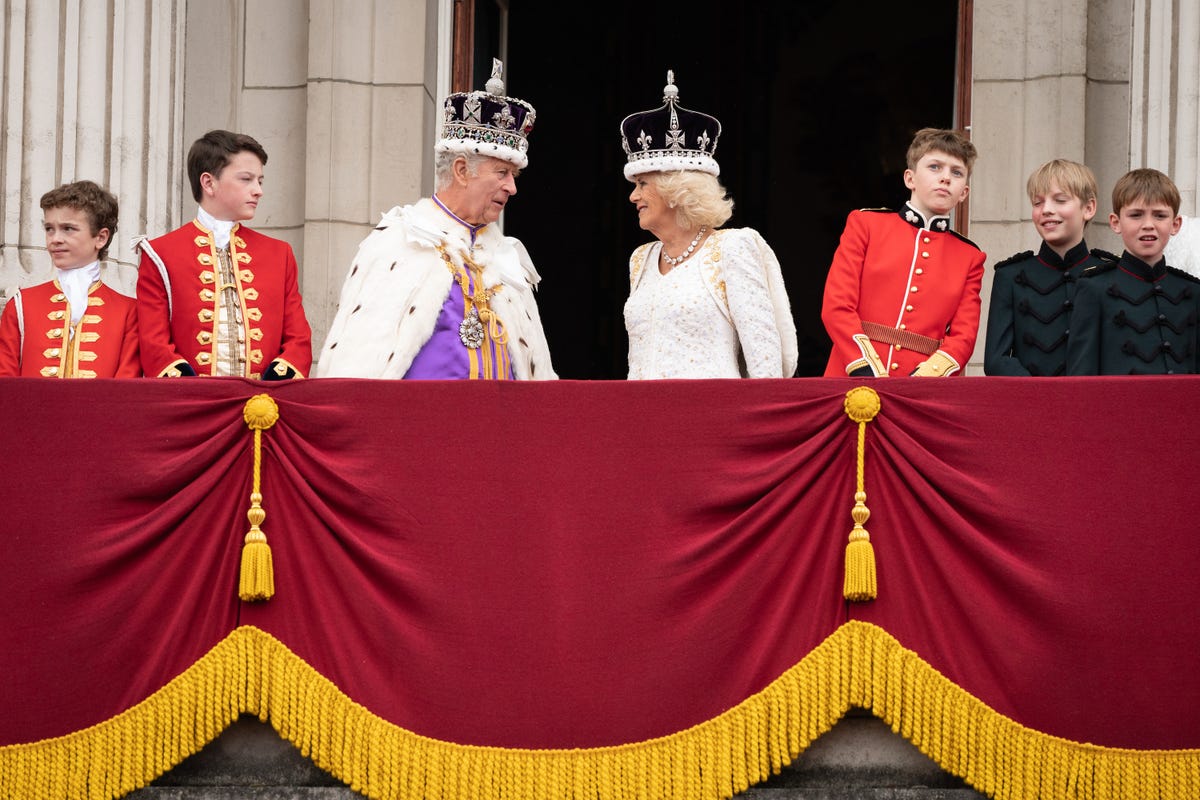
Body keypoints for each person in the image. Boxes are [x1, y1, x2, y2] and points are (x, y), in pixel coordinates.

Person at [315, 59, 554, 380]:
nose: (512, 187)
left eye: (514, 175)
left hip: (500, 427)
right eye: (502, 173)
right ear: (460, 171)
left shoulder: (507, 258)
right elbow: (358, 365)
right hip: (420, 427)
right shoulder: (398, 242)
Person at [618, 71, 798, 379]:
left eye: (643, 183)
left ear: (676, 190)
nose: (634, 196)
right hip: (642, 419)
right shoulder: (641, 259)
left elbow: (765, 364)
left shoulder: (732, 247)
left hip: (713, 420)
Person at [134, 130, 312, 379]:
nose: (258, 190)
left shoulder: (279, 254)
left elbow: (298, 339)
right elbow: (154, 344)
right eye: (246, 179)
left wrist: (273, 386)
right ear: (208, 183)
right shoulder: (160, 254)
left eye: (260, 181)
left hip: (264, 405)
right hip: (191, 406)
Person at [821, 127, 985, 377]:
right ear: (909, 179)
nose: (945, 177)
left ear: (964, 193)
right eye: (934, 167)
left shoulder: (970, 257)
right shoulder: (866, 225)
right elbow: (837, 305)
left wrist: (924, 379)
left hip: (922, 389)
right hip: (851, 374)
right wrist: (865, 366)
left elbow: (964, 336)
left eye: (956, 172)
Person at [1066, 168, 1200, 374]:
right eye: (1136, 215)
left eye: (1160, 215)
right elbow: (1081, 378)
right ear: (1115, 222)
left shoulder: (1192, 291)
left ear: (1175, 224)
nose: (1148, 225)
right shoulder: (1094, 288)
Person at [0, 181, 140, 377]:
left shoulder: (128, 312)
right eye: (49, 228)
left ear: (100, 238)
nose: (55, 238)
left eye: (68, 228)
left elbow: (125, 389)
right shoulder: (21, 305)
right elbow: (5, 385)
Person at [984, 159, 1107, 376]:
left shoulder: (1109, 274)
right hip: (1031, 404)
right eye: (1037, 203)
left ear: (1088, 208)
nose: (1047, 210)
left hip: (1093, 405)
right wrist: (1042, 396)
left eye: (1060, 200)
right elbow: (996, 360)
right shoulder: (1010, 276)